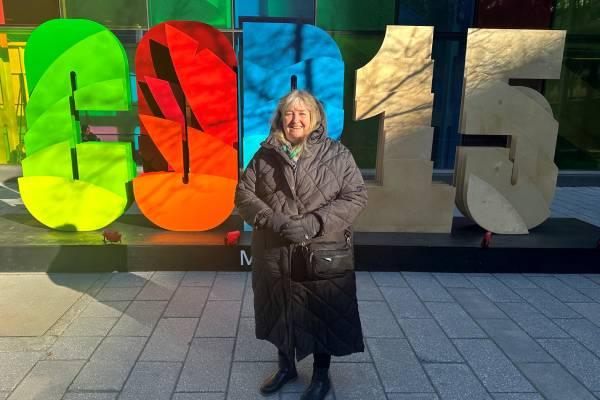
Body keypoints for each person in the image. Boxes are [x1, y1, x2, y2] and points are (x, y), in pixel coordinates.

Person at [235, 90, 368, 400]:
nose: (295, 120)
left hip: (321, 251)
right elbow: (243, 195)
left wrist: (314, 222)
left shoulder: (338, 154)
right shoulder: (265, 154)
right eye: (289, 113)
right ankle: (286, 368)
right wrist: (274, 220)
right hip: (275, 251)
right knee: (279, 309)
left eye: (302, 113)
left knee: (323, 312)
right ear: (280, 118)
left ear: (315, 118)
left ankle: (321, 376)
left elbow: (356, 196)